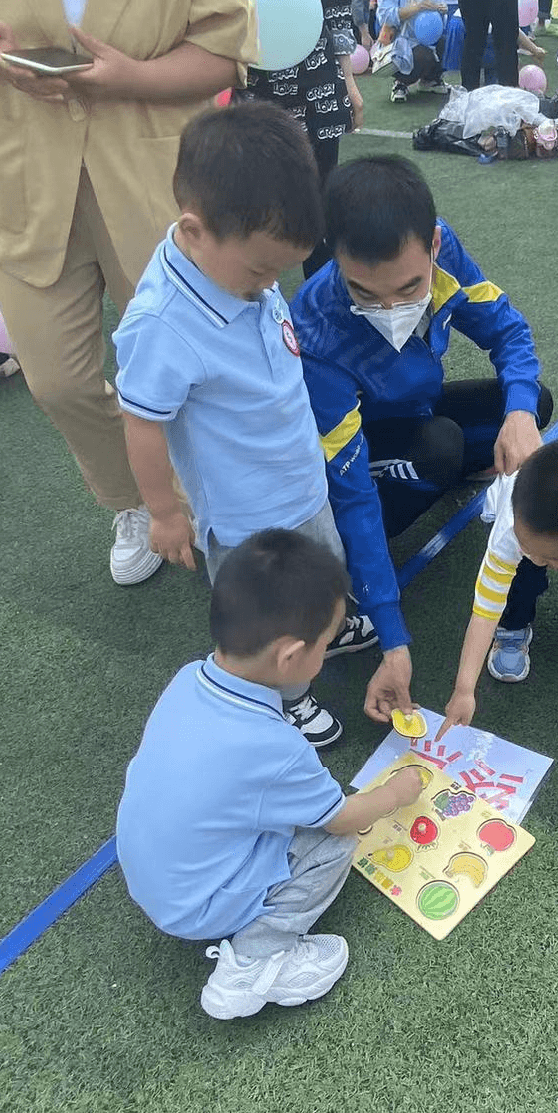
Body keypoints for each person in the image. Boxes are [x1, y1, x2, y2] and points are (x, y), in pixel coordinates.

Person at [0, 0, 254, 586]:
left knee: (194, 367)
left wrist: (132, 76)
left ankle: (221, 504)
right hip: (20, 166)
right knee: (57, 379)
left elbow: (226, 48)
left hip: (150, 169)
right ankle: (135, 499)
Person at [113, 104, 375, 750]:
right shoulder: (163, 322)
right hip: (244, 514)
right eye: (261, 270)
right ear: (195, 230)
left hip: (298, 476)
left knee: (325, 562)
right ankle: (283, 699)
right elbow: (141, 419)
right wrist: (163, 512)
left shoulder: (240, 274)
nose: (271, 284)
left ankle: (326, 627)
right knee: (270, 615)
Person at [116, 529, 425, 1021]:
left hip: (152, 877)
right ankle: (255, 963)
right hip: (198, 907)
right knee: (334, 846)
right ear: (289, 656)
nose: (326, 655)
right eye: (326, 643)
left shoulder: (187, 679)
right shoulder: (276, 748)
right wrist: (396, 791)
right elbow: (341, 819)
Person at [290, 156, 552, 724]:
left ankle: (450, 462)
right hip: (363, 444)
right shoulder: (315, 330)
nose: (390, 308)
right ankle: (369, 554)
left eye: (409, 287)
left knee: (533, 404)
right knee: (438, 448)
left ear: (433, 245)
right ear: (335, 258)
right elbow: (352, 491)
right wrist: (392, 637)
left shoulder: (445, 249)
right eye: (365, 292)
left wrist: (521, 414)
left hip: (421, 407)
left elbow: (506, 328)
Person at [217, 0, 364, 281]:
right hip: (235, 66)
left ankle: (327, 320)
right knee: (244, 215)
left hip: (310, 64)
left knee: (319, 213)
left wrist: (347, 76)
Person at [439, 440, 558, 739]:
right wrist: (464, 689)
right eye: (532, 547)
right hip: (517, 518)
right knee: (522, 572)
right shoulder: (508, 535)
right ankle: (513, 629)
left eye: (554, 557)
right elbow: (484, 610)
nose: (540, 559)